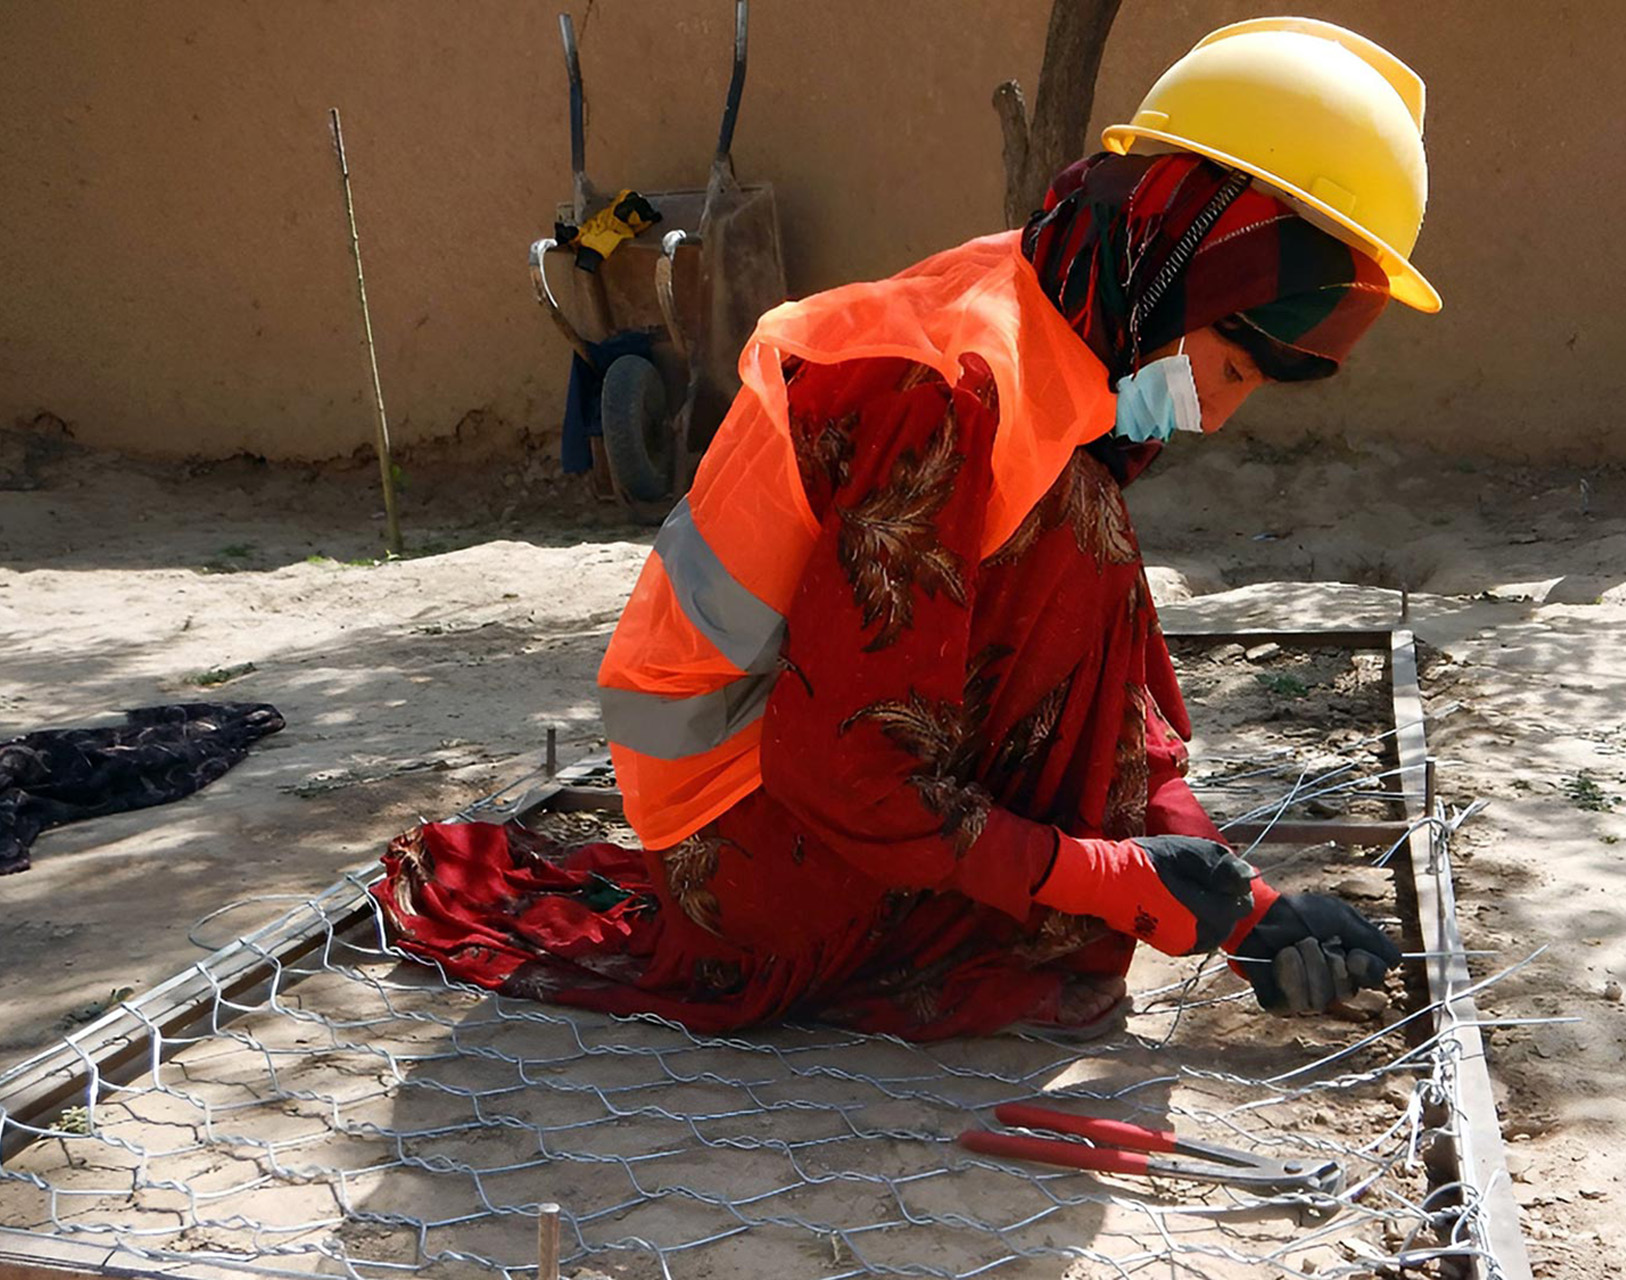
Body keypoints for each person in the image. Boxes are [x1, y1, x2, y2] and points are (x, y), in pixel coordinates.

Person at [378, 18, 1441, 1039]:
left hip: (784, 759)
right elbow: (850, 772)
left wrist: (1241, 908)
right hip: (738, 835)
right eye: (1234, 364)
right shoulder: (950, 391)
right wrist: (1112, 878)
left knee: (1085, 525)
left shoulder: (1052, 330)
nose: (1219, 411)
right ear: (1175, 273)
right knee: (1076, 572)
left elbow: (1099, 701)